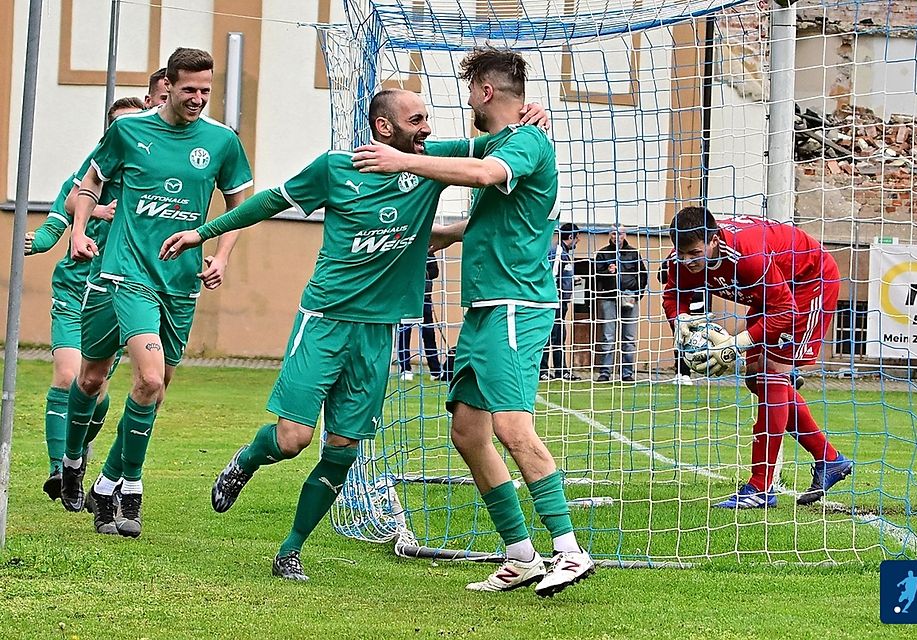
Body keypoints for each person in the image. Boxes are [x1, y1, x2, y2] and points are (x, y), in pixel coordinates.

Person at [161, 88, 551, 581]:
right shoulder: (335, 167)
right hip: (324, 319)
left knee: (342, 449)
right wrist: (203, 233)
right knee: (292, 438)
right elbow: (267, 201)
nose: (428, 128)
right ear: (385, 129)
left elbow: (499, 147)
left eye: (428, 118)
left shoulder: (427, 165)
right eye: (417, 119)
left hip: (379, 332)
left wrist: (533, 114)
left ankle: (290, 550)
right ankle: (247, 459)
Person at [353, 47, 595, 596]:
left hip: (516, 306)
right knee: (468, 431)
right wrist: (388, 144)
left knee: (512, 427)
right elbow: (446, 155)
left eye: (469, 91)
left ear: (486, 91)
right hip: (484, 310)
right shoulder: (504, 139)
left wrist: (404, 161)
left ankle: (569, 550)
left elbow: (482, 174)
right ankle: (521, 554)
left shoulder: (526, 142)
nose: (464, 101)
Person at [66, 48, 253, 537]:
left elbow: (242, 200)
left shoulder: (221, 142)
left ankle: (106, 481)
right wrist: (79, 228)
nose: (197, 99)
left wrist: (223, 253)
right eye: (189, 89)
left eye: (206, 91)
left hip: (181, 282)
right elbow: (88, 183)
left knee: (157, 386)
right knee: (129, 378)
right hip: (128, 274)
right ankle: (126, 483)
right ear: (167, 86)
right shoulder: (129, 131)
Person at [662, 206, 853, 508]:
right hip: (772, 293)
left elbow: (785, 310)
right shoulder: (681, 258)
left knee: (771, 374)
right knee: (757, 378)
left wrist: (733, 345)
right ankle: (829, 459)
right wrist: (682, 323)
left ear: (713, 240)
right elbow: (674, 296)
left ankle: (761, 488)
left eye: (693, 253)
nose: (687, 260)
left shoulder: (747, 256)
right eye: (681, 253)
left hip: (807, 282)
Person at [24, 97, 146, 501]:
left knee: (94, 391)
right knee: (66, 376)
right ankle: (60, 471)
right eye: (116, 129)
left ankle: (76, 454)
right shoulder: (85, 183)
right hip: (73, 290)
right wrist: (38, 242)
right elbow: (57, 220)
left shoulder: (146, 187)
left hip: (113, 297)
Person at [594, 226, 647, 383]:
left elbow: (643, 275)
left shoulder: (633, 253)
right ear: (609, 235)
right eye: (613, 233)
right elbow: (595, 275)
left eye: (620, 233)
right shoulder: (603, 253)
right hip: (609, 298)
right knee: (607, 336)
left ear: (625, 235)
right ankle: (605, 372)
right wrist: (607, 271)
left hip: (629, 298)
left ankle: (626, 373)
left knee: (629, 337)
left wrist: (637, 295)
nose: (617, 236)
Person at [540, 222, 580, 381]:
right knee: (551, 336)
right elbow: (551, 275)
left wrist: (571, 281)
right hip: (554, 303)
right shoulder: (557, 252)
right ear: (571, 237)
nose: (577, 242)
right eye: (577, 238)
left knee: (559, 335)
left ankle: (561, 370)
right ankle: (543, 370)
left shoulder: (563, 253)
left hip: (560, 303)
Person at [658, 257, 706, 386]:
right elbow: (660, 277)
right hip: (679, 307)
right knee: (680, 339)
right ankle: (681, 372)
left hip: (699, 304)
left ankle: (693, 370)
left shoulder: (702, 258)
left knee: (697, 340)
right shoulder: (673, 258)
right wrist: (667, 271)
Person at [397, 252, 444, 381]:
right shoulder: (407, 249)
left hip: (425, 298)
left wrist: (423, 269)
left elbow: (435, 272)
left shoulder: (429, 252)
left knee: (429, 334)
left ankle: (435, 370)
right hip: (407, 298)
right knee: (404, 333)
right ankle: (405, 369)